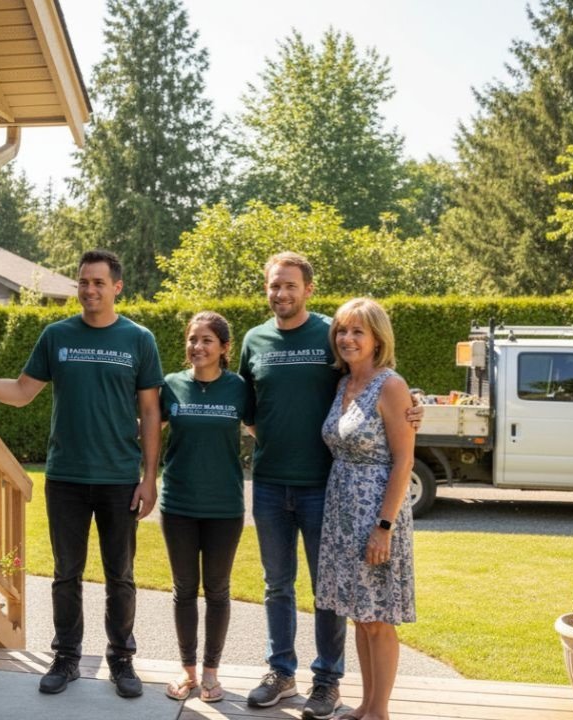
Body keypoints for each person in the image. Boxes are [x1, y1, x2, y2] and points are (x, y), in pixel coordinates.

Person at [0, 249, 162, 699]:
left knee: (121, 574)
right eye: (83, 281)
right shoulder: (56, 335)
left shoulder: (138, 340)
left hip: (119, 476)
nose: (89, 290)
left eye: (98, 282)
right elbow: (22, 392)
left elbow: (151, 410)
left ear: (117, 287)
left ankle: (122, 659)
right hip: (66, 477)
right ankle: (66, 657)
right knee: (66, 573)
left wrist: (149, 476)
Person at [240, 253, 421, 719]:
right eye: (274, 285)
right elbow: (249, 408)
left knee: (334, 594)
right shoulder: (257, 341)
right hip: (275, 485)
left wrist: (413, 407)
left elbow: (390, 401)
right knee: (281, 584)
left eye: (290, 285)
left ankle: (328, 683)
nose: (281, 293)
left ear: (308, 289)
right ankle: (281, 674)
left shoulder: (329, 333)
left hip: (326, 489)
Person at [315, 298, 416, 720]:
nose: (348, 338)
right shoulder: (343, 385)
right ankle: (367, 705)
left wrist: (384, 526)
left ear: (377, 339)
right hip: (341, 511)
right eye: (342, 330)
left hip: (375, 512)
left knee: (378, 618)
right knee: (359, 614)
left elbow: (404, 461)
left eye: (358, 331)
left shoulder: (390, 385)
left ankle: (381, 712)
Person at [159, 312, 246, 704]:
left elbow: (273, 429)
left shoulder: (240, 389)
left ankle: (212, 672)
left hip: (224, 507)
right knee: (183, 590)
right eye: (193, 339)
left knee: (217, 590)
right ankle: (188, 671)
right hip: (178, 504)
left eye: (208, 340)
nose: (198, 347)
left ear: (225, 348)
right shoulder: (171, 386)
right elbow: (143, 427)